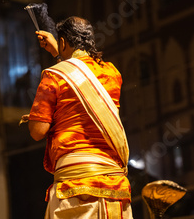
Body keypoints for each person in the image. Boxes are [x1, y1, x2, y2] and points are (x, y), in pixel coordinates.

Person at [21, 16, 133, 219]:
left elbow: (38, 131)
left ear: (63, 42)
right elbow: (83, 86)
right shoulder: (111, 73)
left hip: (75, 184)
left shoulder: (53, 76)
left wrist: (42, 116)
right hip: (114, 185)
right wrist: (58, 54)